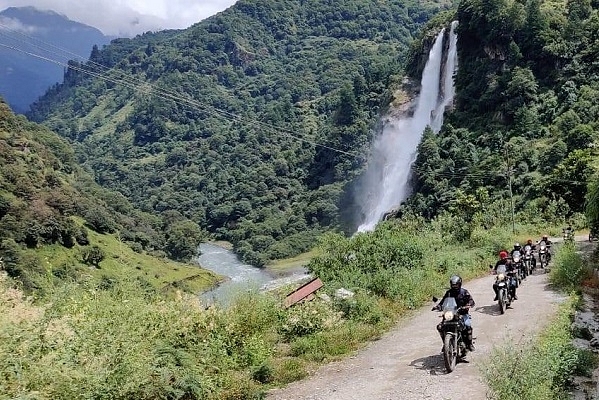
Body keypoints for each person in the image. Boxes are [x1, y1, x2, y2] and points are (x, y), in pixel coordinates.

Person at [432, 275, 475, 351]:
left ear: (460, 284)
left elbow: (471, 301)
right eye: (453, 285)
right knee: (440, 327)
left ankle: (470, 344)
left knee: (468, 325)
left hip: (462, 313)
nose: (454, 286)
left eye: (456, 285)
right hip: (451, 314)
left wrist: (468, 305)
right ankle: (446, 344)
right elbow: (442, 302)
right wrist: (438, 306)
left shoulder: (464, 292)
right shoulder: (448, 293)